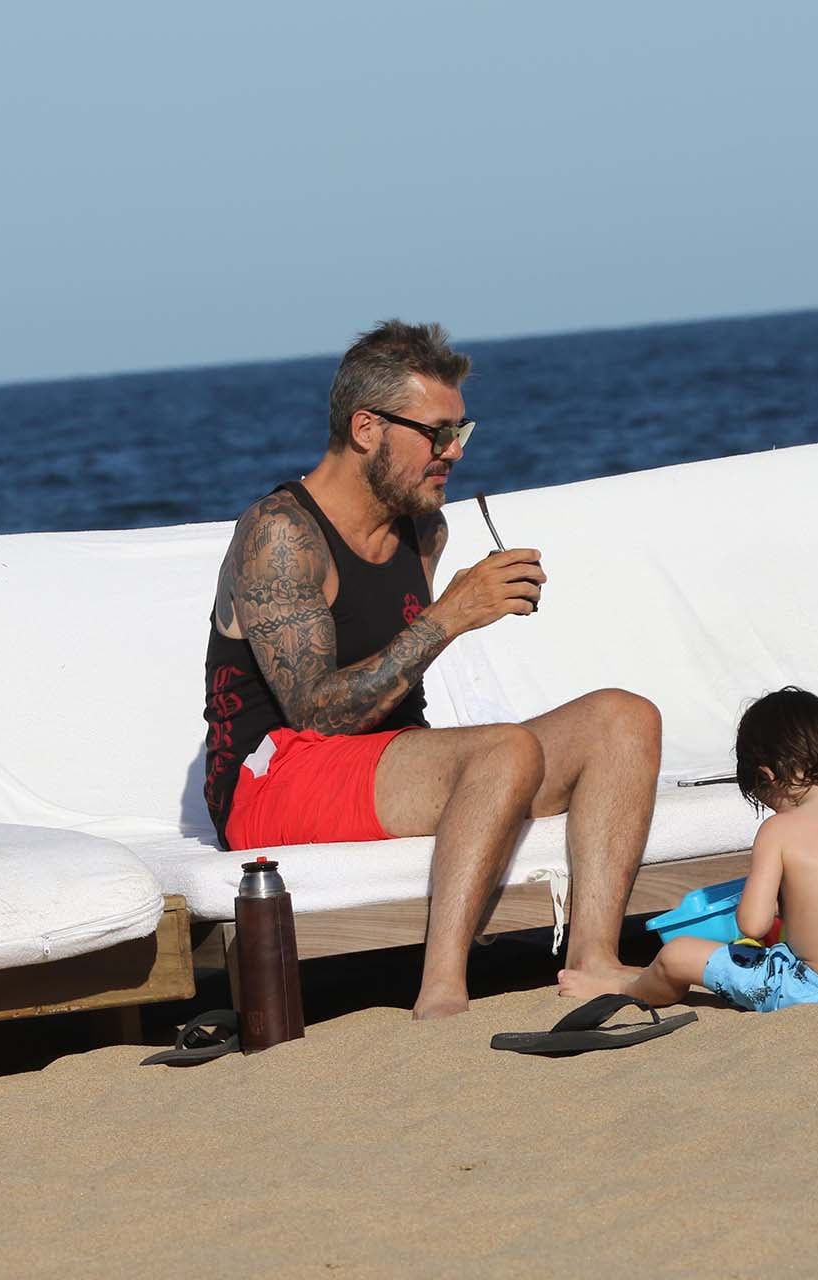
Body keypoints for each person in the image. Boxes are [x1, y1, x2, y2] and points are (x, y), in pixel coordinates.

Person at [202, 319, 661, 1019]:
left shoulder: (424, 526)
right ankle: (441, 987)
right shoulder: (281, 533)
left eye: (461, 432)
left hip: (384, 765)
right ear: (365, 429)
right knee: (503, 747)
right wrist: (451, 615)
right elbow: (315, 713)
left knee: (624, 719)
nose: (452, 452)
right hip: (275, 778)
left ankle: (594, 959)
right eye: (435, 433)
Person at [558, 688, 818, 1010]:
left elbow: (753, 925)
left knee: (678, 954)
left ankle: (630, 987)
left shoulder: (780, 830)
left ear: (767, 775)